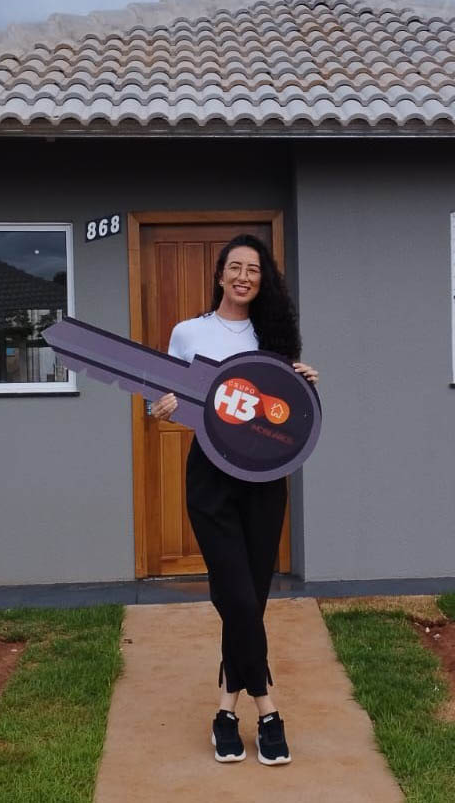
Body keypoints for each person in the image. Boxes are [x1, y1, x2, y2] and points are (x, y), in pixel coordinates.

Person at [150, 233, 319, 766]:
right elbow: (163, 399)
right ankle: (268, 709)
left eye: (254, 269)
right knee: (237, 595)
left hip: (265, 478)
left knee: (251, 595)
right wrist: (162, 408)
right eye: (235, 267)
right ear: (220, 274)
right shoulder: (189, 332)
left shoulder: (273, 336)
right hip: (210, 477)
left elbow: (283, 414)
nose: (244, 276)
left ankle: (226, 710)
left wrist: (305, 386)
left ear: (261, 280)